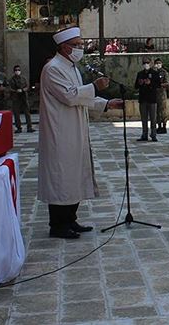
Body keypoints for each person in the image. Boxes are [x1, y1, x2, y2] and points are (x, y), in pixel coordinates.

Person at [38, 26, 124, 239]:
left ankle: (70, 219)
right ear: (64, 47)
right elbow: (70, 96)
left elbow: (82, 98)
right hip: (60, 131)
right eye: (76, 45)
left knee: (75, 174)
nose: (81, 48)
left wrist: (106, 104)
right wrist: (94, 86)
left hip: (75, 129)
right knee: (61, 176)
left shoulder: (72, 68)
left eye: (81, 44)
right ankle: (58, 224)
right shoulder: (53, 68)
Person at [134, 56, 161, 142]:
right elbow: (135, 86)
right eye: (144, 63)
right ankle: (144, 134)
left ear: (151, 63)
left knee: (153, 118)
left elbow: (158, 85)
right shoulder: (140, 74)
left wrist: (150, 83)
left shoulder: (155, 73)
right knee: (144, 118)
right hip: (143, 98)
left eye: (147, 62)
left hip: (152, 98)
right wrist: (140, 83)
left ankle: (153, 135)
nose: (146, 64)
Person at [9, 65, 34, 133]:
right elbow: (10, 88)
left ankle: (29, 127)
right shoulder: (12, 79)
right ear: (14, 71)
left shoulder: (23, 78)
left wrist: (23, 90)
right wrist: (16, 91)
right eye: (16, 70)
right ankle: (18, 127)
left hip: (24, 97)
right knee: (16, 113)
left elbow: (27, 86)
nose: (17, 71)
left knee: (27, 113)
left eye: (18, 70)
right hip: (16, 98)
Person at [154, 58, 169, 134]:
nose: (158, 64)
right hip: (155, 94)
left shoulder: (164, 72)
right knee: (157, 111)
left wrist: (159, 85)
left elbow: (167, 83)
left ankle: (164, 126)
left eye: (159, 63)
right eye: (156, 63)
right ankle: (159, 126)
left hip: (162, 94)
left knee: (163, 110)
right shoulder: (154, 72)